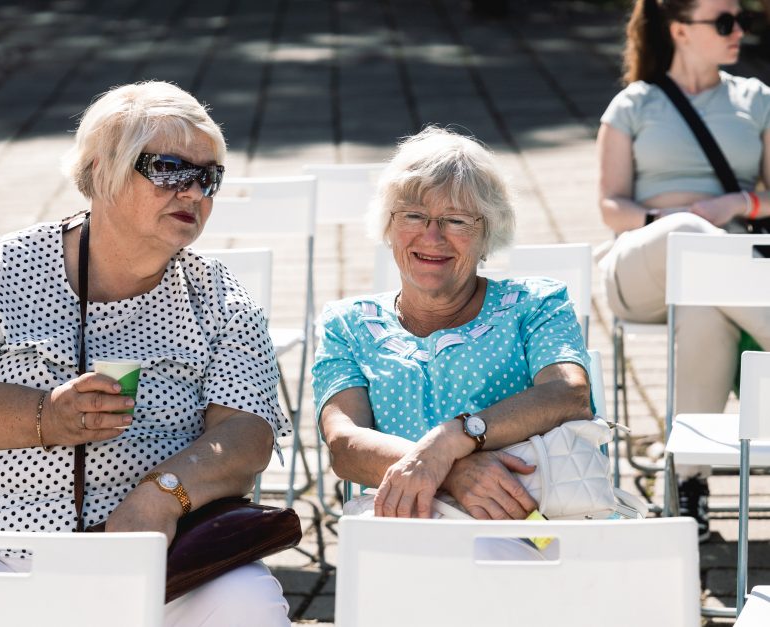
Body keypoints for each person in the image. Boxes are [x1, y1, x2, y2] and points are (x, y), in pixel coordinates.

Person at [0, 81, 292, 625]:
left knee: (250, 603)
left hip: (163, 558)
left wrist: (162, 495)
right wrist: (44, 417)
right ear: (102, 171)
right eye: (170, 169)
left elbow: (248, 434)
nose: (194, 192)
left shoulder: (218, 297)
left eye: (208, 176)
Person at [312, 127, 592, 546]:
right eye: (413, 215)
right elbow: (345, 444)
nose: (432, 236)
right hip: (411, 539)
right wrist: (453, 471)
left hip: (530, 529)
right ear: (388, 226)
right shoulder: (348, 324)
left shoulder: (536, 303)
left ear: (487, 235)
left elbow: (568, 393)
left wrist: (451, 440)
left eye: (456, 220)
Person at [597, 0, 770, 540]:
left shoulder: (756, 99)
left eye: (741, 20)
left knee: (703, 298)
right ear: (680, 31)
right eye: (724, 22)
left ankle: (687, 483)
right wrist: (677, 219)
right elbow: (610, 206)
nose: (738, 31)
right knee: (689, 240)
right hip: (642, 265)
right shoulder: (633, 104)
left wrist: (738, 203)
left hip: (727, 272)